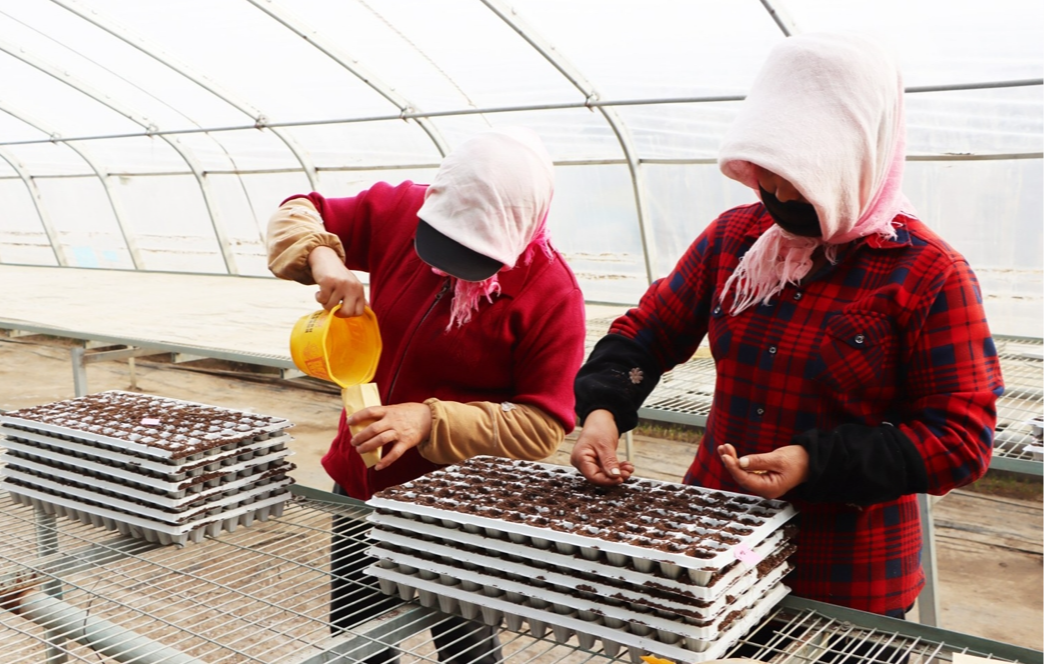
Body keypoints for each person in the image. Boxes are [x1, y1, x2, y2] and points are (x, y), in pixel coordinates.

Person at [571, 32, 1003, 618]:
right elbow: (649, 331)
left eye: (797, 176)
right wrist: (603, 412)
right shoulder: (735, 240)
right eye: (765, 171)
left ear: (857, 160)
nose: (774, 193)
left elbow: (959, 439)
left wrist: (812, 461)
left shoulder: (926, 274)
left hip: (850, 561)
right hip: (717, 537)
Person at [267, 126, 585, 663]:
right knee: (357, 642)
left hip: (455, 509)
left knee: (464, 646)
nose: (445, 263)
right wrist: (323, 258)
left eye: (472, 253)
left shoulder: (550, 295)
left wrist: (430, 420)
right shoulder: (399, 210)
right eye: (439, 244)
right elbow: (298, 210)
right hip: (362, 485)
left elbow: (542, 424)